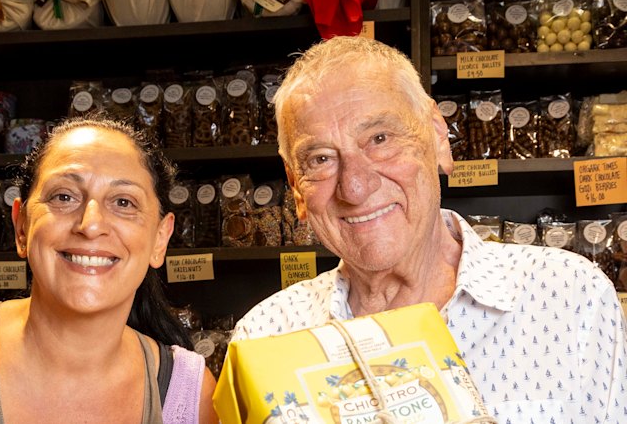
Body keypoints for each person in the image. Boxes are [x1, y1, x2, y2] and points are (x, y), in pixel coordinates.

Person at [230, 35, 627, 422]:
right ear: (297, 187)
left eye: (379, 138)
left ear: (438, 137)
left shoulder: (570, 297)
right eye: (319, 159)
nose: (354, 187)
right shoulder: (264, 337)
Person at [0, 116, 216, 423]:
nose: (91, 225)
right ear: (21, 226)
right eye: (64, 196)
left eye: (123, 202)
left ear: (160, 239)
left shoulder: (189, 392)